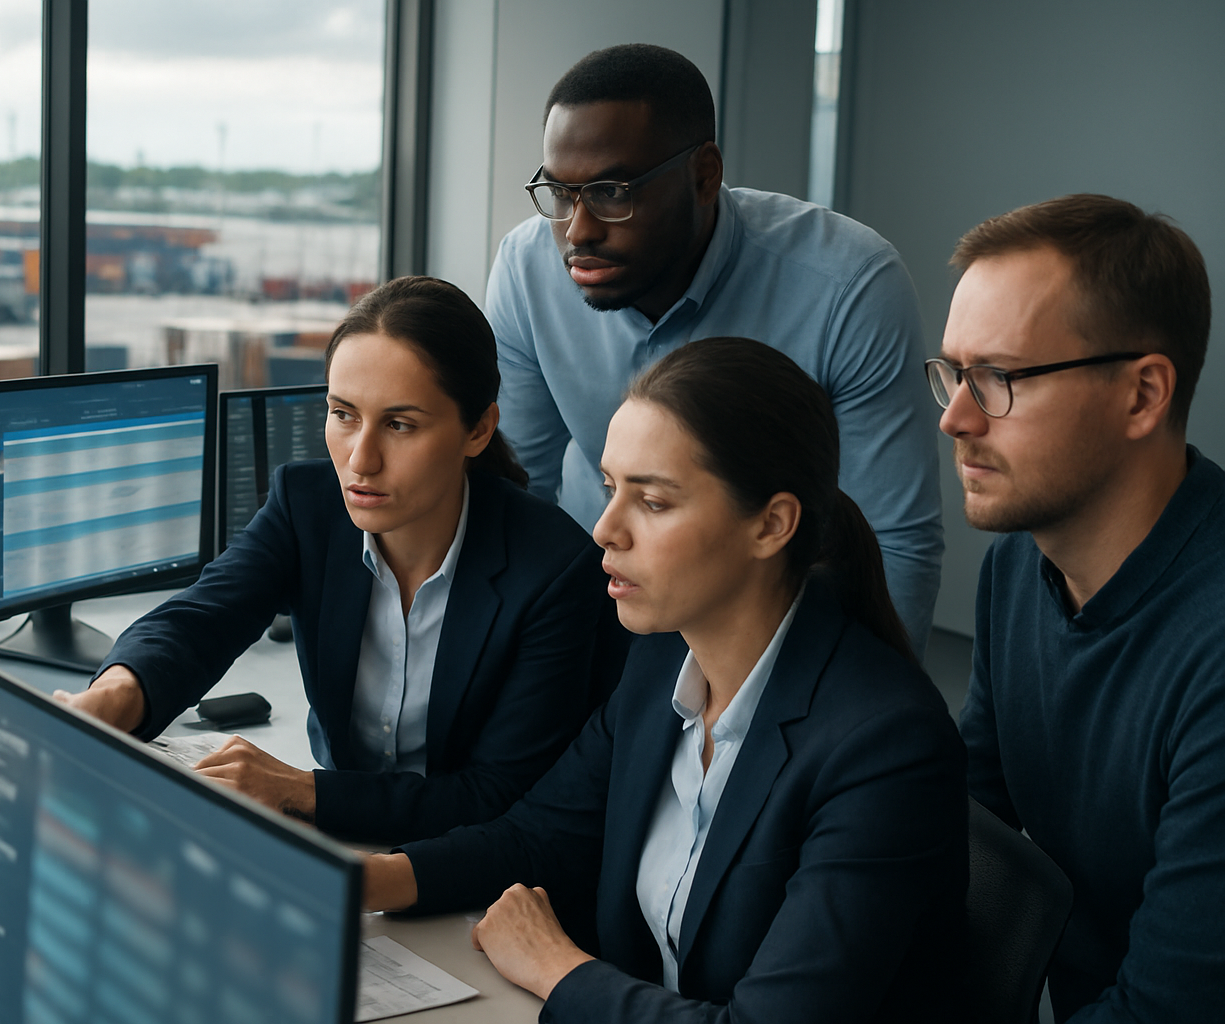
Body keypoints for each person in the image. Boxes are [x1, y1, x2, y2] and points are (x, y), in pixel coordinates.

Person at [363, 337, 966, 1023]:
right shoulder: (660, 662)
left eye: (651, 502)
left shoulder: (885, 745)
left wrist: (557, 968)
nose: (603, 531)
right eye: (609, 489)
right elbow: (539, 837)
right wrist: (370, 879)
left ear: (771, 524)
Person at [57, 276, 609, 845]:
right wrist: (115, 695)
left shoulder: (554, 570)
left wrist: (301, 790)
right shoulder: (307, 505)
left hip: (470, 867)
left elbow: (497, 793)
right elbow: (200, 620)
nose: (360, 460)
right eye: (343, 414)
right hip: (339, 838)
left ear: (478, 429)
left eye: (399, 425)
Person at [487, 42, 944, 656]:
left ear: (705, 174)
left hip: (769, 631)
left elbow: (893, 540)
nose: (578, 230)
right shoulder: (527, 267)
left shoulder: (849, 285)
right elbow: (518, 497)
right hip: (594, 601)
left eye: (612, 192)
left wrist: (858, 727)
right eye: (561, 194)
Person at [935, 194, 1224, 1023]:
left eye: (997, 378)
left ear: (1142, 396)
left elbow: (1172, 1011)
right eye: (953, 374)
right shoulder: (1016, 570)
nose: (955, 418)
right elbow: (960, 825)